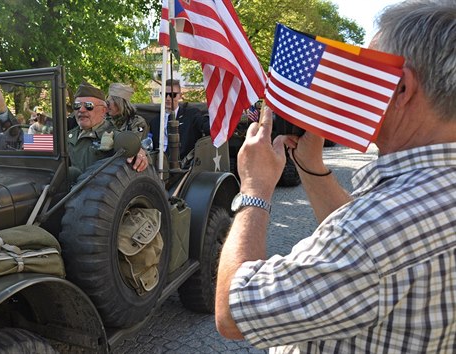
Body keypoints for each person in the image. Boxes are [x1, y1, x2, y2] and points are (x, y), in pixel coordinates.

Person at [215, 1, 456, 353]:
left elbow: (232, 311)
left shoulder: (371, 235)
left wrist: (254, 189)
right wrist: (310, 163)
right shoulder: (418, 201)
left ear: (402, 89)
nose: (357, 84)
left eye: (369, 72)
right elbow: (368, 249)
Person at [68, 82, 148, 173]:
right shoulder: (71, 134)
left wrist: (137, 150)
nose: (81, 110)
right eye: (77, 106)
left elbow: (132, 144)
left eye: (89, 106)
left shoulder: (135, 122)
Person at [149, 79, 210, 159]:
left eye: (172, 95)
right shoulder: (155, 122)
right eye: (164, 94)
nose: (167, 98)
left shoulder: (191, 115)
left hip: (183, 165)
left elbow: (207, 127)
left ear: (180, 96)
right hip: (158, 163)